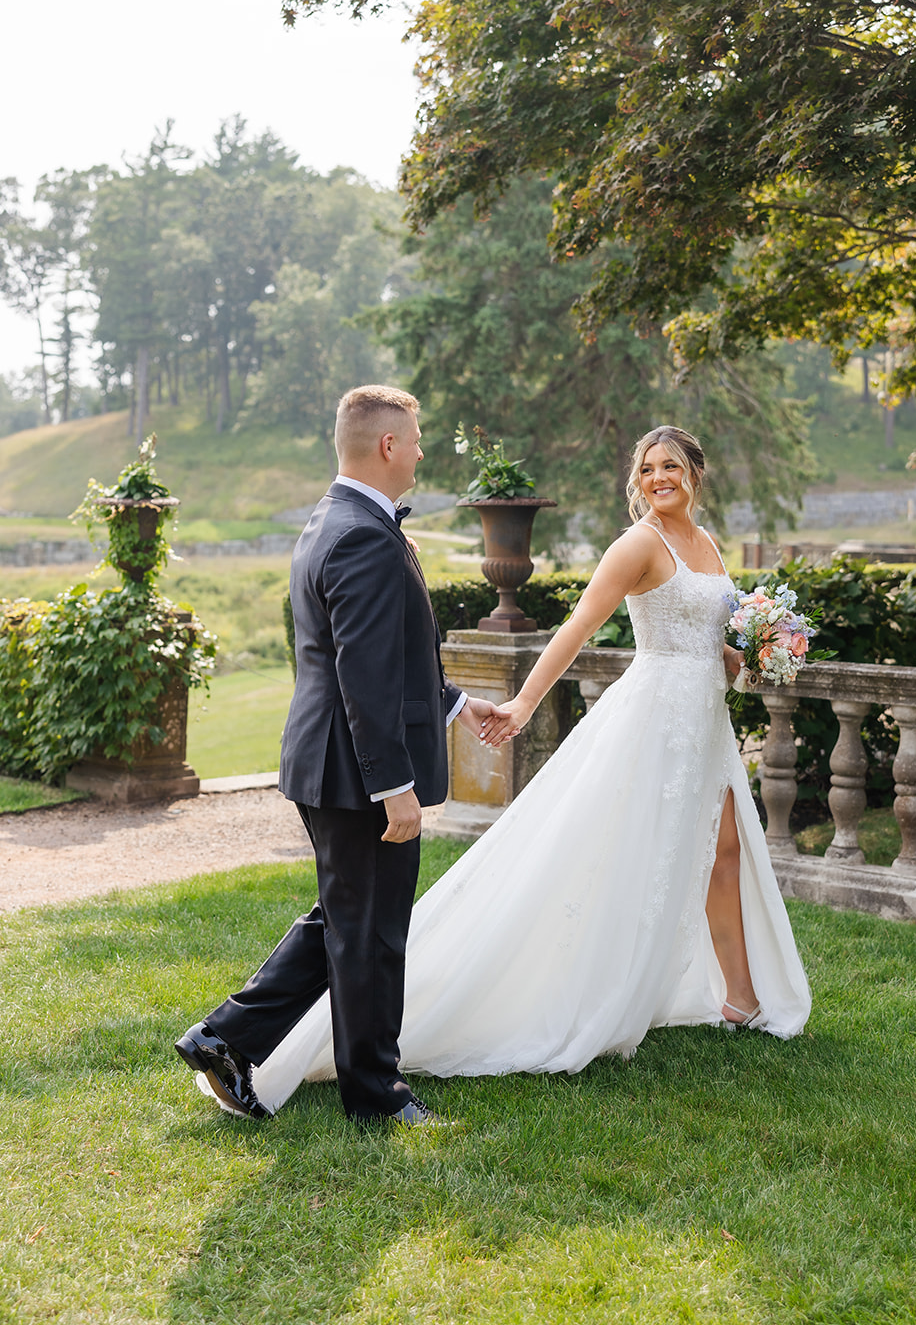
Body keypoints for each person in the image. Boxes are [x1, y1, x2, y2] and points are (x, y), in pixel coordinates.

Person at [195, 424, 811, 1116]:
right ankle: (312, 1054)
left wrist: (755, 650)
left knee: (721, 851)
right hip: (654, 720)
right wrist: (520, 702)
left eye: (671, 465)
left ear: (696, 472)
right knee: (598, 858)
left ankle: (739, 998)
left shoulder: (708, 545)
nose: (658, 476)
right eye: (646, 467)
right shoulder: (639, 543)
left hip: (705, 721)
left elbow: (711, 641)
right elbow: (577, 625)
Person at [175, 385, 505, 1126]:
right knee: (373, 934)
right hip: (356, 771)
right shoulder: (361, 533)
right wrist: (394, 785)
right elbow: (362, 674)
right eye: (415, 438)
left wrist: (456, 702)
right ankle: (377, 1096)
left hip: (331, 761)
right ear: (387, 445)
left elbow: (386, 656)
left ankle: (224, 1037)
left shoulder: (341, 519)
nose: (421, 451)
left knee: (349, 919)